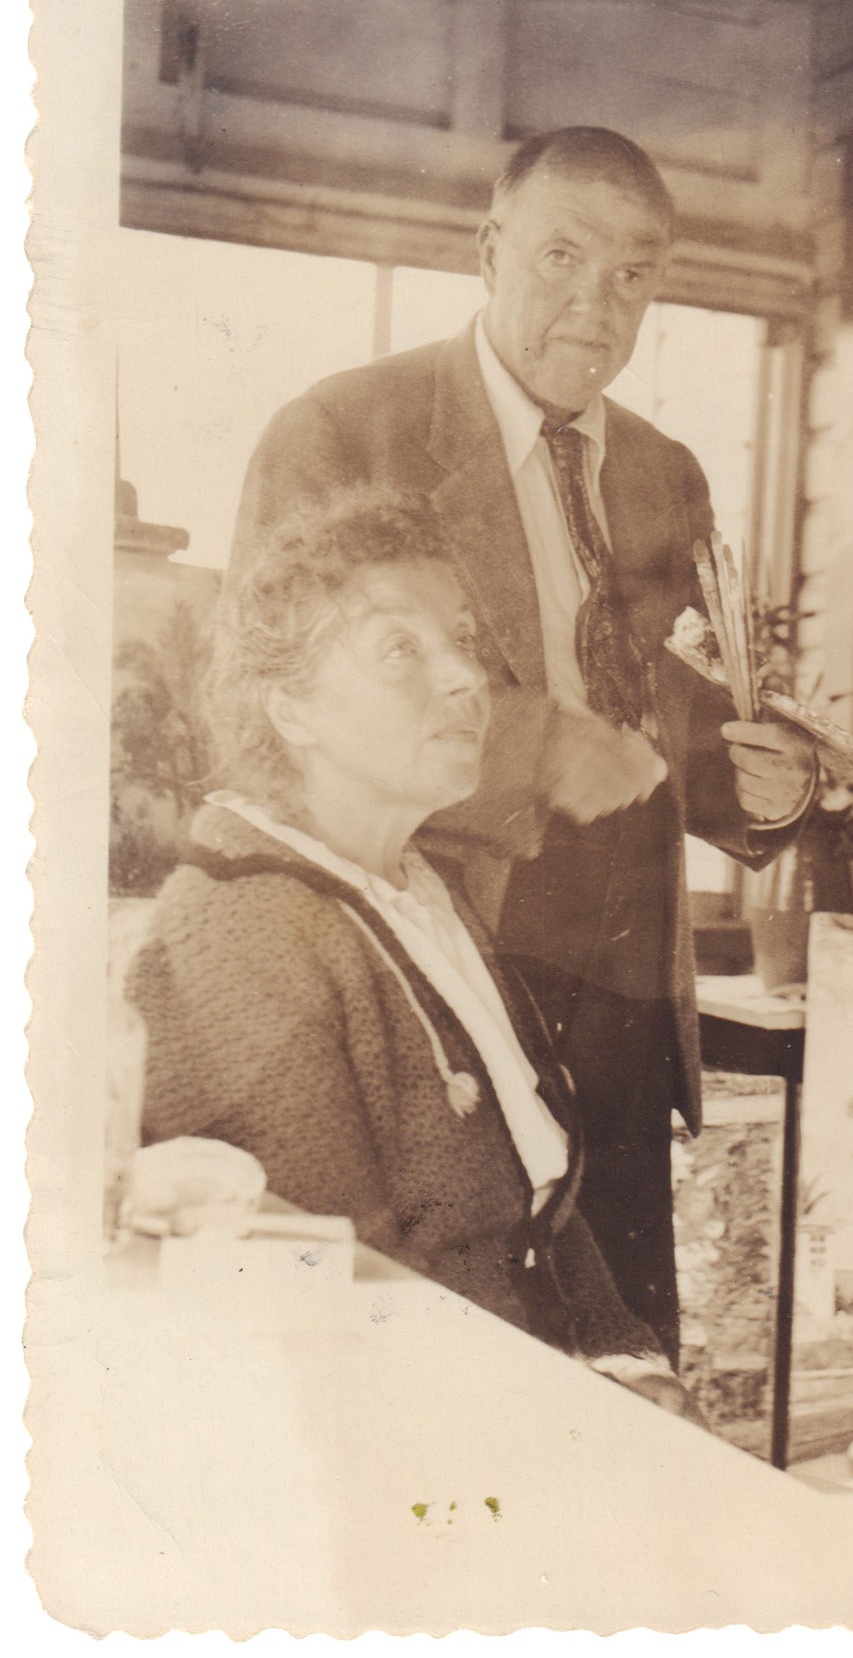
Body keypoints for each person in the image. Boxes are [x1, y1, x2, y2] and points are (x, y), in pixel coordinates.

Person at [226, 127, 818, 1362]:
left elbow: (679, 714)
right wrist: (540, 748)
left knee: (626, 1361)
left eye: (634, 274)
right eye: (562, 257)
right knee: (444, 1357)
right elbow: (278, 710)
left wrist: (764, 788)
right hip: (432, 956)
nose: (597, 304)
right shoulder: (343, 431)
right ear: (489, 252)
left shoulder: (664, 472)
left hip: (627, 987)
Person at [130, 490, 689, 1408]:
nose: (467, 676)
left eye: (462, 639)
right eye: (400, 649)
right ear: (291, 708)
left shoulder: (418, 891)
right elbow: (332, 1320)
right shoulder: (244, 932)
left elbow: (539, 1200)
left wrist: (632, 1361)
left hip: (531, 1398)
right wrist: (585, 1422)